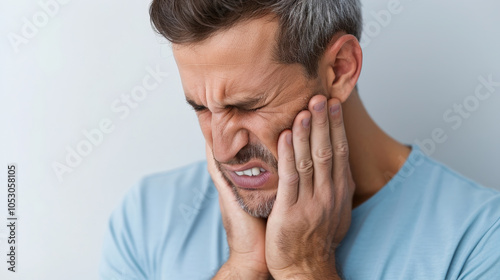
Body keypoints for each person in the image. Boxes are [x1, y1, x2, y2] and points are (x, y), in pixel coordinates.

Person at [99, 1, 500, 279]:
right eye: (201, 109)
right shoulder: (146, 218)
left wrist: (304, 267)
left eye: (248, 105)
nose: (223, 150)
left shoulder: (480, 242)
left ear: (340, 70)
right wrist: (241, 268)